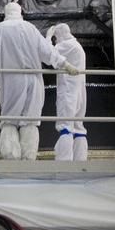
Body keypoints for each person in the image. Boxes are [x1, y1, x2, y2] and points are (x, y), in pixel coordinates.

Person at [0, 1, 78, 159]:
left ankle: (11, 159)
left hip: (12, 80)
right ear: (20, 12)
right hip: (34, 80)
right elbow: (48, 52)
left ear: (6, 13)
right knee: (31, 121)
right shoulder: (30, 28)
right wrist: (65, 64)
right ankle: (28, 159)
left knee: (9, 121)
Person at [47, 23, 87, 161]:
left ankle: (64, 163)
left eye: (56, 37)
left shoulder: (68, 45)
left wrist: (47, 37)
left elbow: (49, 54)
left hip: (68, 91)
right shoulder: (77, 46)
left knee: (65, 127)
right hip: (78, 91)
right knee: (78, 127)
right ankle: (80, 160)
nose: (56, 40)